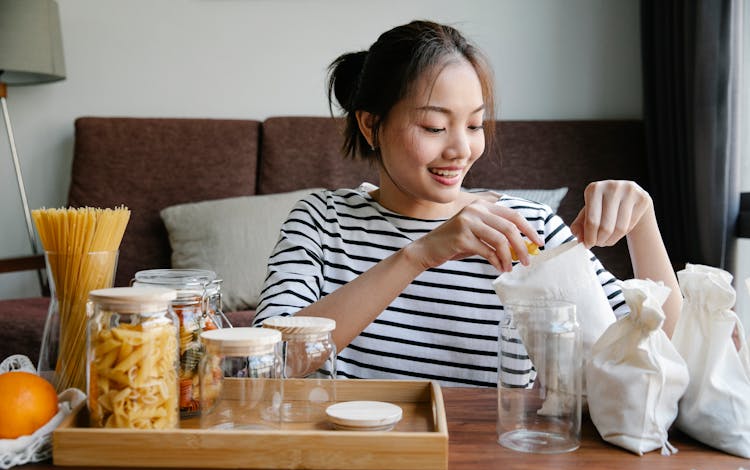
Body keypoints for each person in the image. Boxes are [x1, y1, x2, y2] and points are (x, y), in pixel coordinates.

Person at [252, 20, 680, 387]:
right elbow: (267, 365)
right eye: (434, 126)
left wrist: (643, 222)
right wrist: (418, 255)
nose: (462, 148)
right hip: (362, 461)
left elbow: (659, 348)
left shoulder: (527, 227)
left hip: (495, 467)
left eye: (474, 124)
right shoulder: (323, 221)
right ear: (371, 125)